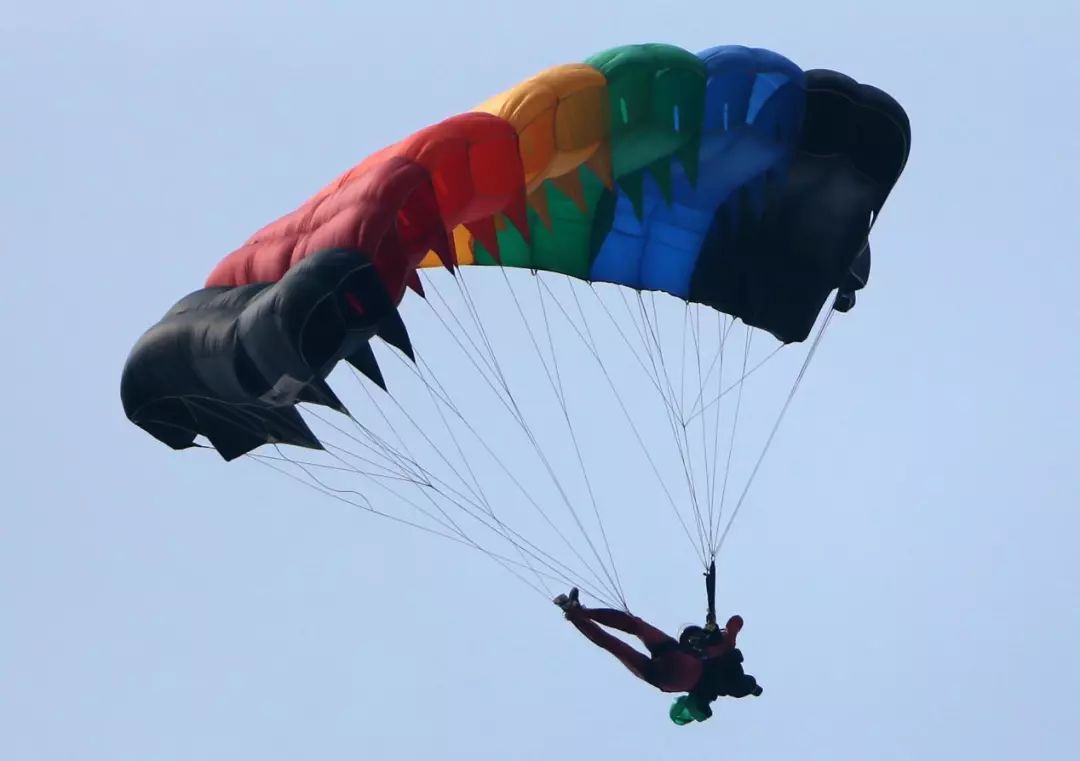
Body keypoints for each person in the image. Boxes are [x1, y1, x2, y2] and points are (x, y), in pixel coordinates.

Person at [553, 587, 762, 725]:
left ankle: (579, 612)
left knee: (635, 627)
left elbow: (732, 636)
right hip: (669, 679)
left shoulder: (719, 652)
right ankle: (575, 613)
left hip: (684, 669)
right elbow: (732, 635)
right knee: (617, 645)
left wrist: (752, 686)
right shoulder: (714, 652)